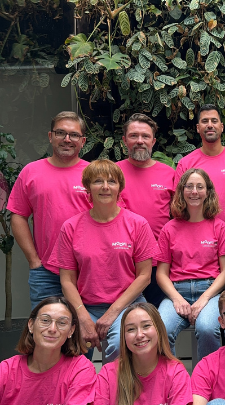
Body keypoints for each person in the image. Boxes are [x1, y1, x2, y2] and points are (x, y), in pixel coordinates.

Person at [49, 159, 158, 362]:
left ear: (120, 188)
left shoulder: (137, 224)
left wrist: (112, 313)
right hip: (85, 306)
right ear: (88, 188)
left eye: (112, 181)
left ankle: (115, 384)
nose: (105, 187)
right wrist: (83, 318)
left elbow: (144, 276)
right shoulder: (71, 227)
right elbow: (67, 280)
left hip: (127, 305)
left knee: (120, 346)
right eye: (98, 181)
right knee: (71, 346)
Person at [7, 111, 91, 309]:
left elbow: (111, 219)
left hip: (88, 272)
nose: (67, 139)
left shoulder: (93, 174)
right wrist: (33, 260)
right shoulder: (31, 172)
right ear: (50, 136)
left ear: (83, 141)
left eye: (74, 135)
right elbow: (18, 215)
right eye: (60, 133)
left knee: (86, 325)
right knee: (46, 325)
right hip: (46, 272)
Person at [156, 168, 225, 361]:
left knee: (207, 328)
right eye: (189, 186)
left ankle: (206, 378)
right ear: (181, 191)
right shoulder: (169, 228)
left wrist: (205, 299)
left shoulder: (219, 226)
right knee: (160, 328)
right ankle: (172, 378)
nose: (194, 191)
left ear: (208, 192)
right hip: (177, 291)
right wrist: (177, 299)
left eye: (199, 187)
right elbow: (161, 274)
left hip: (210, 291)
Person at [118, 113, 176, 308]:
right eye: (133, 136)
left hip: (158, 262)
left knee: (157, 317)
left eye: (145, 136)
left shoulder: (169, 174)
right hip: (122, 261)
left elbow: (179, 217)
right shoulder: (113, 173)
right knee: (124, 318)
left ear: (153, 141)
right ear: (124, 140)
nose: (140, 141)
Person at [174, 104, 225, 230]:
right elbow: (179, 204)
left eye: (214, 121)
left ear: (221, 127)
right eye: (205, 121)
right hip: (196, 235)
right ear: (198, 128)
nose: (210, 125)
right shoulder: (186, 164)